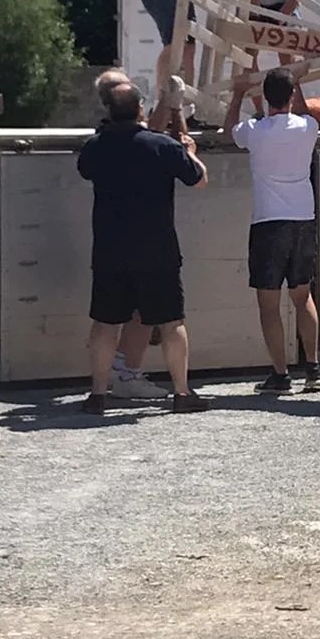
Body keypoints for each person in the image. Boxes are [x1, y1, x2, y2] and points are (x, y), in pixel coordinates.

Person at [76, 80, 210, 416]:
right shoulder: (162, 146)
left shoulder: (96, 147)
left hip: (109, 251)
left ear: (109, 111)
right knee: (171, 323)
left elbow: (85, 170)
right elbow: (199, 179)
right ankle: (181, 393)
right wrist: (190, 151)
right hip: (157, 249)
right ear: (140, 109)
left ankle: (98, 395)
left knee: (106, 323)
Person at [232, 67, 320, 394]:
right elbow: (305, 113)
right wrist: (297, 79)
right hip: (303, 217)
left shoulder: (255, 131)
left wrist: (239, 91)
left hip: (269, 222)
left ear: (266, 97)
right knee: (302, 296)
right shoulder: (308, 128)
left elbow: (229, 129)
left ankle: (281, 374)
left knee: (269, 304)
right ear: (293, 94)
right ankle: (313, 369)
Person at [91, 67, 174, 402]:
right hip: (144, 242)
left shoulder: (99, 142)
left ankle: (104, 385)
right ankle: (126, 374)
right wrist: (172, 105)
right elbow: (152, 140)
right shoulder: (132, 140)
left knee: (109, 318)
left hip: (111, 244)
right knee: (147, 313)